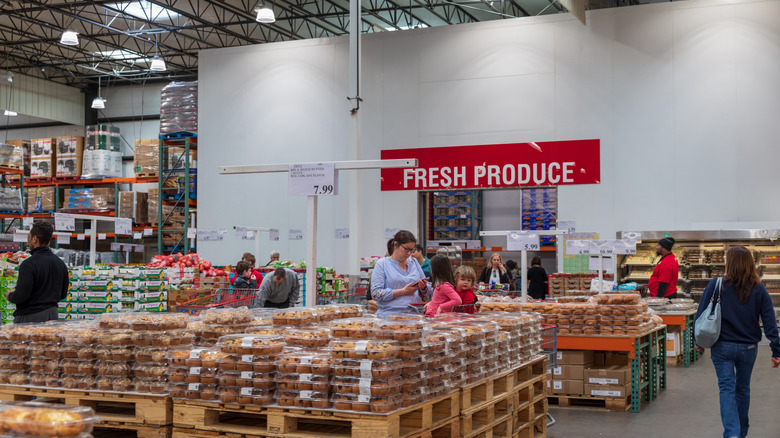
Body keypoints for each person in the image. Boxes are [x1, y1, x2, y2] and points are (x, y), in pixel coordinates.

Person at [694, 246, 780, 438]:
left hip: (721, 347)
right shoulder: (759, 289)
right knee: (743, 390)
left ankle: (732, 434)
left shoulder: (716, 285)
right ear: (750, 263)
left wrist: (698, 340)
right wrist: (776, 350)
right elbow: (770, 321)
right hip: (748, 348)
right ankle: (741, 432)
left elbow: (701, 315)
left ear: (729, 263)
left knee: (726, 389)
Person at [6, 221, 69, 323]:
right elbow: (63, 294)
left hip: (30, 318)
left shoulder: (28, 264)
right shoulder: (60, 263)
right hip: (53, 316)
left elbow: (21, 296)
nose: (28, 241)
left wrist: (10, 295)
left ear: (34, 239)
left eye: (29, 238)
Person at [371, 230, 431, 317]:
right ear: (396, 245)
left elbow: (428, 289)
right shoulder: (382, 264)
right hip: (390, 316)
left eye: (412, 250)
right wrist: (402, 291)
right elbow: (375, 294)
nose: (409, 253)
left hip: (415, 314)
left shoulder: (414, 262)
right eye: (406, 249)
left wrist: (424, 287)